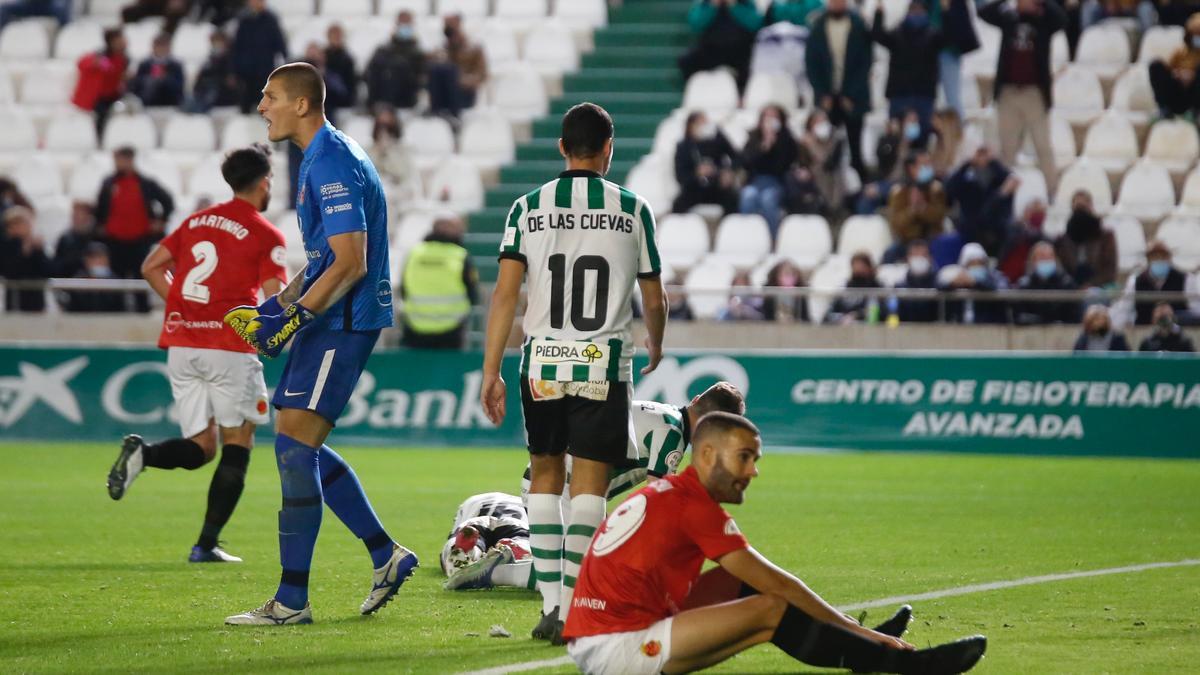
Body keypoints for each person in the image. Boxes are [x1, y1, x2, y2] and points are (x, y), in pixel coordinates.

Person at [561, 412, 988, 675]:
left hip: (597, 633)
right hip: (617, 651)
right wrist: (858, 631)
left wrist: (855, 632)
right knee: (770, 609)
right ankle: (907, 664)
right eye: (745, 457)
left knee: (740, 588)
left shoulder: (675, 492)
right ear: (708, 455)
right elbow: (780, 587)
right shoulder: (695, 508)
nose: (753, 471)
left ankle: (862, 650)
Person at [222, 63, 416, 625]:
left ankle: (292, 600)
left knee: (292, 452)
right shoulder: (321, 157)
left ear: (302, 104)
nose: (262, 106)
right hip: (326, 317)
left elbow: (351, 264)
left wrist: (293, 319)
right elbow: (325, 261)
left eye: (271, 96)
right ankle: (384, 555)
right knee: (293, 445)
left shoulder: (330, 161)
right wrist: (277, 308)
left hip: (343, 321)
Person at [480, 102, 668, 645]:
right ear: (608, 150)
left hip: (540, 363)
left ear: (562, 147)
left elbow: (505, 295)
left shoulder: (526, 207)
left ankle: (551, 605)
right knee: (590, 484)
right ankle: (578, 608)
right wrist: (655, 341)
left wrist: (490, 369)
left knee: (544, 473)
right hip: (601, 363)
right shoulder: (634, 209)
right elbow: (653, 296)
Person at [104, 145, 284, 562]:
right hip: (228, 348)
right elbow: (274, 297)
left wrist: (183, 308)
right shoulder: (264, 232)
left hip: (183, 346)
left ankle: (143, 455)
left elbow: (151, 266)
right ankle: (205, 545)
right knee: (238, 442)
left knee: (203, 446)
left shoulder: (196, 221)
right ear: (263, 182)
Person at [453, 384, 748, 592]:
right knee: (577, 578)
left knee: (586, 571)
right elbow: (658, 498)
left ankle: (515, 554)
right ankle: (497, 570)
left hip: (558, 480)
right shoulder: (672, 434)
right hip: (563, 488)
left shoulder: (666, 415)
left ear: (696, 399)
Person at [980, 0, 1066, 194]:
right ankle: (1003, 195)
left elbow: (1062, 19)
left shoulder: (1044, 20)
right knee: (1007, 149)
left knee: (1043, 146)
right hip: (1009, 92)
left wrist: (1041, 4)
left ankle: (1053, 192)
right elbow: (984, 12)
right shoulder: (1009, 19)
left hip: (1034, 92)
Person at [96, 146, 175, 313]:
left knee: (141, 278)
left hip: (139, 241)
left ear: (129, 160)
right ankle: (116, 313)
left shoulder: (145, 183)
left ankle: (142, 312)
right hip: (114, 241)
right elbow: (101, 208)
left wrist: (161, 221)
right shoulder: (109, 183)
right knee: (116, 281)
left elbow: (167, 201)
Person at [806, 0, 874, 180]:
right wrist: (822, 94)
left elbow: (865, 62)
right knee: (828, 148)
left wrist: (849, 94)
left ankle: (859, 186)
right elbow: (812, 64)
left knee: (855, 146)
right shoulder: (818, 25)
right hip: (828, 98)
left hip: (853, 97)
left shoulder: (858, 25)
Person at [400, 215, 479, 349]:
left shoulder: (414, 253)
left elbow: (403, 289)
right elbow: (472, 293)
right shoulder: (461, 255)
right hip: (452, 329)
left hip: (415, 326)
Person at [871, 0, 946, 135]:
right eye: (914, 10)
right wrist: (878, 13)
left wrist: (946, 12)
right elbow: (878, 35)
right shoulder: (898, 34)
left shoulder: (933, 36)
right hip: (901, 95)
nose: (916, 14)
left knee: (921, 138)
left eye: (919, 10)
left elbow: (950, 35)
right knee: (897, 138)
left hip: (923, 96)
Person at [944, 145, 1019, 255]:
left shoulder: (999, 178)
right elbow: (949, 188)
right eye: (980, 155)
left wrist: (994, 162)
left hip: (998, 232)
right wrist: (967, 164)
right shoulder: (967, 180)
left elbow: (1009, 181)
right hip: (970, 232)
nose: (982, 158)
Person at [740, 105, 798, 238]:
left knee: (768, 199)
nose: (771, 120)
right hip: (755, 181)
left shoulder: (787, 140)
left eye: (774, 117)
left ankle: (772, 238)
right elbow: (746, 163)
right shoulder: (754, 138)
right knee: (748, 196)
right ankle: (748, 237)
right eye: (767, 116)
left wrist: (775, 145)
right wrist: (764, 147)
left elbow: (782, 166)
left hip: (777, 182)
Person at [1111, 239, 1200, 327]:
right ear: (1148, 260)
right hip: (1144, 334)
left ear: (1169, 258)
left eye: (1163, 256)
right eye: (1154, 257)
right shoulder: (1135, 281)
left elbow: (1196, 311)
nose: (1159, 260)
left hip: (1178, 334)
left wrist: (1176, 316)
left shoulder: (1186, 279)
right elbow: (1123, 312)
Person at [680, 0, 763, 93]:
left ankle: (743, 96)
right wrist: (713, 5)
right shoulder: (705, 3)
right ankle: (694, 91)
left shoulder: (745, 3)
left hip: (740, 50)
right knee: (687, 60)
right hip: (711, 51)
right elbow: (695, 24)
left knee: (754, 63)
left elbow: (755, 23)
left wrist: (733, 5)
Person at [672, 112, 739, 215]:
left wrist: (727, 172)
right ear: (691, 127)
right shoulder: (683, 147)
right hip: (694, 188)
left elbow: (737, 157)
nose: (704, 126)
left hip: (717, 186)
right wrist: (696, 173)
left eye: (705, 123)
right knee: (678, 205)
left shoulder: (717, 139)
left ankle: (728, 229)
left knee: (732, 199)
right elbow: (680, 176)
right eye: (699, 123)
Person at [885, 151, 947, 262]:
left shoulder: (936, 189)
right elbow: (897, 224)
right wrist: (912, 210)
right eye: (924, 165)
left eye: (929, 164)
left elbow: (939, 217)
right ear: (911, 168)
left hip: (932, 239)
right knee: (889, 255)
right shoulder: (899, 192)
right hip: (907, 241)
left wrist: (923, 208)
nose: (929, 168)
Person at [428, 13, 488, 121]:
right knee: (436, 68)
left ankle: (454, 117)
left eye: (453, 25)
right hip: (443, 94)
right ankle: (435, 113)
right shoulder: (441, 49)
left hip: (464, 94)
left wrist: (462, 80)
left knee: (451, 71)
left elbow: (482, 75)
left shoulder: (474, 49)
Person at [1053, 189, 1117, 289]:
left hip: (1099, 288)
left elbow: (1109, 270)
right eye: (1078, 208)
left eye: (1084, 207)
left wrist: (1091, 285)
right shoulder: (1062, 240)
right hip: (1070, 288)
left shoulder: (1106, 237)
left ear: (1091, 207)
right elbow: (1061, 269)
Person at [231, 0, 287, 114]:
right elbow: (237, 47)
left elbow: (280, 44)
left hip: (264, 71)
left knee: (264, 106)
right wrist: (234, 70)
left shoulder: (271, 20)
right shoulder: (244, 20)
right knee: (245, 109)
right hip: (246, 73)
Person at [71, 28, 129, 137]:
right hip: (98, 98)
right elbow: (81, 64)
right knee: (102, 113)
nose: (124, 42)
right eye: (120, 39)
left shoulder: (124, 58)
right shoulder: (99, 56)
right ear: (112, 41)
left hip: (115, 95)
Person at [366, 10, 426, 111]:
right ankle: (375, 104)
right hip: (385, 90)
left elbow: (421, 75)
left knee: (399, 66)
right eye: (402, 23)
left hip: (408, 93)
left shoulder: (418, 52)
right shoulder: (383, 50)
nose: (404, 27)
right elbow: (369, 71)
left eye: (407, 23)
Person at [941, 242, 1011, 324]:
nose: (976, 266)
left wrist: (976, 282)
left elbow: (1002, 289)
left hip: (988, 325)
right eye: (972, 263)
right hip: (960, 326)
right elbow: (940, 286)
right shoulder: (959, 276)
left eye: (980, 262)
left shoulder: (995, 277)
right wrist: (952, 283)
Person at [795, 108, 846, 217]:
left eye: (824, 121)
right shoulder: (804, 141)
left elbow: (830, 162)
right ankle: (825, 205)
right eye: (818, 121)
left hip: (830, 170)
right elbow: (803, 162)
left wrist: (815, 146)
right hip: (812, 172)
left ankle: (834, 207)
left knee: (834, 174)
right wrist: (810, 144)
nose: (821, 124)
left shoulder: (836, 139)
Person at [367, 108, 421, 209]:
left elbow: (401, 174)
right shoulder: (368, 150)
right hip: (377, 187)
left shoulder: (404, 149)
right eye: (381, 126)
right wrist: (379, 152)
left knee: (386, 197)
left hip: (400, 188)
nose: (384, 132)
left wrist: (389, 153)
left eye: (388, 127)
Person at [1148, 14, 1200, 119]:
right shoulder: (1180, 52)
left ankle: (1195, 111)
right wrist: (1178, 74)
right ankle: (1164, 109)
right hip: (1178, 92)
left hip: (1195, 95)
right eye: (1195, 35)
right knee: (1156, 65)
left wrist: (1193, 76)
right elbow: (1168, 71)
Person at [0, 206, 52, 312]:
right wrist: (24, 252)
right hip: (16, 301)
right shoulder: (6, 245)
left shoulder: (36, 246)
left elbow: (48, 270)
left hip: (36, 302)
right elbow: (9, 271)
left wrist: (39, 251)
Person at [1014, 241, 1080, 324]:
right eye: (1042, 257)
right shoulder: (1024, 285)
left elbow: (1074, 316)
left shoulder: (1067, 284)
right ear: (1033, 260)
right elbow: (1019, 316)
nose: (1046, 260)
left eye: (1050, 257)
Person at [62, 241, 125, 312]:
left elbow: (120, 308)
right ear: (85, 260)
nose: (97, 261)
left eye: (100, 257)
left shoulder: (116, 280)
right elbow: (73, 308)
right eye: (93, 258)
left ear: (107, 259)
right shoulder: (78, 279)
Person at [188, 30, 240, 113]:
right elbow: (199, 82)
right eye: (214, 42)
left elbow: (231, 82)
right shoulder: (208, 60)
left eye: (219, 42)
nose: (217, 45)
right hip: (207, 100)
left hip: (225, 103)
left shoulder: (231, 60)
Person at [998, 199, 1048, 283]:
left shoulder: (1045, 239)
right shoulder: (1013, 230)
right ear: (1025, 212)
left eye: (1039, 212)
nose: (1036, 215)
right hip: (1010, 280)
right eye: (1034, 211)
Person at [825, 252, 884, 323]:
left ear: (869, 267)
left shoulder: (877, 287)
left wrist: (856, 316)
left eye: (862, 266)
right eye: (855, 265)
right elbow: (829, 313)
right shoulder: (845, 287)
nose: (858, 269)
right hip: (842, 327)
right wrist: (841, 318)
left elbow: (876, 311)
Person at [131, 33, 185, 108]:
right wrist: (150, 80)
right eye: (159, 45)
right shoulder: (145, 64)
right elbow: (137, 86)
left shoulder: (176, 65)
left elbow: (180, 88)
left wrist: (165, 78)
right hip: (148, 105)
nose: (161, 49)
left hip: (171, 105)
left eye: (164, 46)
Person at [896, 239, 940, 322]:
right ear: (908, 258)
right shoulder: (899, 286)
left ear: (930, 258)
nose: (919, 259)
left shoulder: (939, 284)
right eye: (915, 255)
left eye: (923, 255)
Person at [52, 201, 97, 279]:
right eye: (74, 214)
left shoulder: (96, 237)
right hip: (69, 281)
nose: (75, 217)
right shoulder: (65, 238)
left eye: (79, 214)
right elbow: (57, 264)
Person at [324, 24, 358, 110]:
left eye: (338, 36)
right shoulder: (322, 56)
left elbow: (350, 82)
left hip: (341, 98)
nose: (335, 39)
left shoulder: (347, 58)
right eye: (333, 36)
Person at [121, 0, 190, 34]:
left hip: (173, 6)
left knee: (175, 11)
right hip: (154, 4)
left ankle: (164, 40)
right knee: (128, 12)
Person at [0, 0, 70, 28]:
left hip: (49, 5)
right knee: (4, 8)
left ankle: (61, 36)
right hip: (29, 5)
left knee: (60, 8)